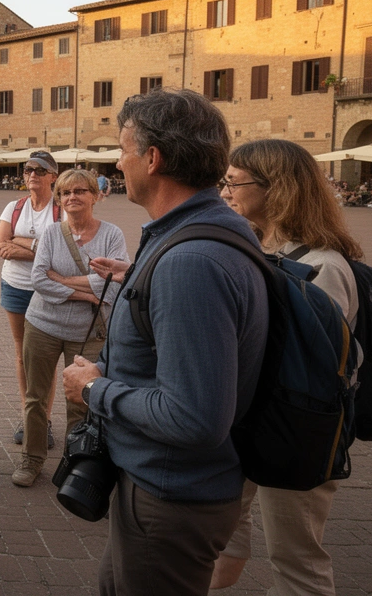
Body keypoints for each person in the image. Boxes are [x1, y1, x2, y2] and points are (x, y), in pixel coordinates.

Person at [62, 88, 268, 596]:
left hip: (170, 496)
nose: (116, 161)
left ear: (152, 159)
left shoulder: (190, 261)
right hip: (166, 488)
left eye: (122, 148)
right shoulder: (199, 236)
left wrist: (93, 390)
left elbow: (195, 417)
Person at [210, 138, 363, 596]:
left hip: (297, 430)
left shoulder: (324, 267)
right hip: (249, 420)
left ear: (277, 188)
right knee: (221, 525)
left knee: (295, 555)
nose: (223, 193)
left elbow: (319, 366)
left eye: (233, 183)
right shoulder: (257, 247)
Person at [13, 169, 127, 488]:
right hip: (42, 325)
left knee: (81, 400)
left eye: (80, 191)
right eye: (65, 193)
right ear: (60, 199)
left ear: (95, 195)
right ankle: (32, 460)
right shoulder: (51, 234)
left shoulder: (112, 235)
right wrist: (88, 292)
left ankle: (73, 465)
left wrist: (61, 280)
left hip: (88, 332)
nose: (72, 197)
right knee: (36, 397)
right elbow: (38, 279)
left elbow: (116, 285)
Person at [0, 151, 60, 448]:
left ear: (52, 176)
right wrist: (40, 249)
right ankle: (28, 416)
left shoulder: (60, 211)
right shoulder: (14, 207)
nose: (32, 174)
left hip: (46, 290)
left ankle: (43, 421)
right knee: (22, 354)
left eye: (39, 169)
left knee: (44, 358)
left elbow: (57, 256)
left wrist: (21, 243)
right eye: (27, 169)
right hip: (15, 286)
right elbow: (1, 246)